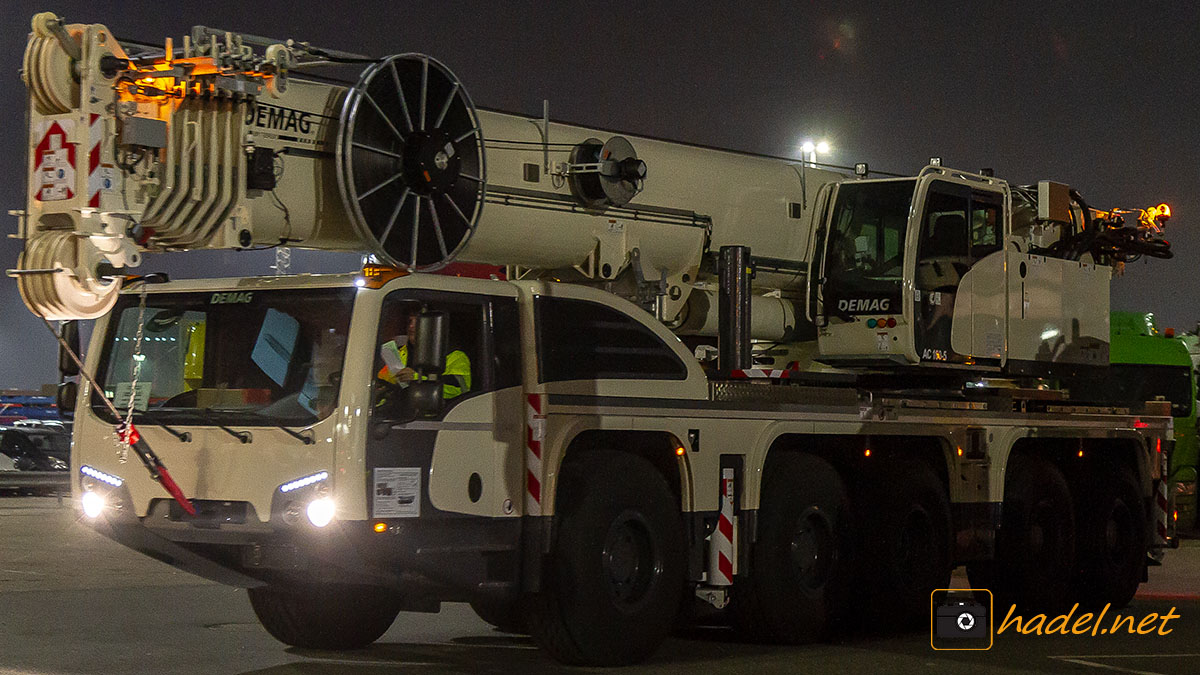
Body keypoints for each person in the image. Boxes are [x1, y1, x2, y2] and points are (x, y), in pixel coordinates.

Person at [377, 310, 471, 401]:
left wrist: (417, 377)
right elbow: (383, 380)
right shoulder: (398, 352)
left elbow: (460, 389)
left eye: (418, 321)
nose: (411, 326)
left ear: (433, 325)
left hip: (436, 414)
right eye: (410, 321)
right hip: (399, 412)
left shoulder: (455, 355)